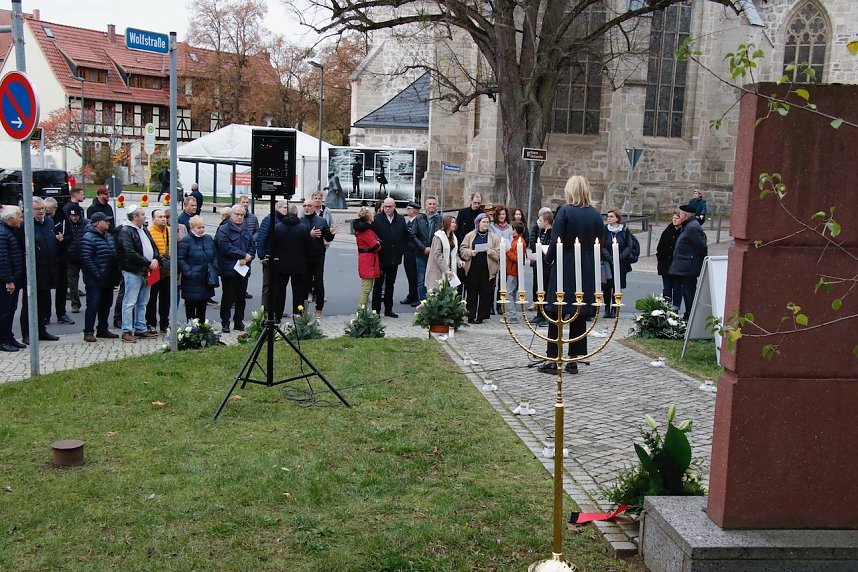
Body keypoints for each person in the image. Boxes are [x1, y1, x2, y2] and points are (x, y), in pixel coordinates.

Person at [538, 175, 604, 375]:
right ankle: (574, 359)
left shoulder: (565, 211)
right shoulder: (595, 214)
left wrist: (547, 258)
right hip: (586, 268)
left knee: (555, 312)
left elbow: (556, 239)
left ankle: (552, 358)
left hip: (566, 265)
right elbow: (600, 242)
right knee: (579, 313)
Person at [115, 206, 161, 343]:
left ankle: (140, 327)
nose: (144, 216)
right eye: (142, 214)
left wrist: (155, 258)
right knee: (130, 302)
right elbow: (129, 252)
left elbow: (153, 247)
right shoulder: (126, 231)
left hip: (147, 271)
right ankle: (126, 330)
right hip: (133, 271)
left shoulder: (143, 230)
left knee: (143, 301)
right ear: (134, 217)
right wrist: (147, 262)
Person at [20, 197, 59, 343]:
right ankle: (27, 333)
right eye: (37, 209)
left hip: (48, 269)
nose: (41, 212)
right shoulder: (25, 225)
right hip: (32, 271)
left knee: (44, 302)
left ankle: (41, 330)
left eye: (43, 209)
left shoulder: (49, 222)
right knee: (29, 303)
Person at [79, 212, 120, 342]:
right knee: (93, 305)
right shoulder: (88, 237)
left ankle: (103, 329)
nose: (108, 223)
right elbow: (87, 259)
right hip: (95, 280)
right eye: (105, 221)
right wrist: (98, 274)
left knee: (106, 304)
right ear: (97, 223)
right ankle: (89, 331)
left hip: (108, 278)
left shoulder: (108, 236)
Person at [215, 204, 255, 333]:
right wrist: (243, 255)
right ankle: (225, 322)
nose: (239, 217)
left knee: (241, 296)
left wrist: (249, 257)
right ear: (231, 214)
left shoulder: (246, 229)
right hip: (229, 268)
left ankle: (239, 321)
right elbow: (225, 247)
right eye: (237, 214)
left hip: (244, 268)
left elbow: (252, 246)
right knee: (228, 296)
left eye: (242, 215)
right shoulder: (224, 229)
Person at [459, 213, 501, 324]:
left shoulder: (494, 237)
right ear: (478, 223)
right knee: (472, 292)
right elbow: (462, 249)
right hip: (473, 267)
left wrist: (490, 252)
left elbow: (499, 252)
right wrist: (470, 252)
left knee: (485, 293)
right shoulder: (470, 235)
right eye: (484, 222)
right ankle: (470, 315)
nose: (486, 224)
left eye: (487, 222)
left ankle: (481, 316)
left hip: (487, 268)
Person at [271, 205, 311, 320]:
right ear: (297, 213)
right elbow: (309, 247)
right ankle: (298, 315)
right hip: (299, 264)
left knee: (279, 291)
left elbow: (272, 246)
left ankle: (277, 316)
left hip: (280, 264)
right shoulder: (303, 228)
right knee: (299, 292)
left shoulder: (277, 227)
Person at [300, 199, 338, 317]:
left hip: (318, 255)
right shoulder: (300, 221)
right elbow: (296, 238)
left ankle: (319, 308)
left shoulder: (321, 221)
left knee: (318, 282)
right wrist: (308, 235)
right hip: (304, 256)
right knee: (304, 283)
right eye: (305, 205)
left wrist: (332, 233)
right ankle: (302, 309)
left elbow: (328, 237)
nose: (306, 208)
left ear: (314, 207)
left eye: (309, 206)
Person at [669, 204, 708, 321]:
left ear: (685, 215)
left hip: (688, 267)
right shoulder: (688, 225)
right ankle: (689, 314)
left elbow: (702, 247)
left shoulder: (692, 227)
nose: (679, 216)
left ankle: (690, 315)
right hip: (685, 265)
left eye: (680, 214)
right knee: (687, 291)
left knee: (689, 291)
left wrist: (692, 259)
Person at [372, 197, 408, 318]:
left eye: (390, 206)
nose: (387, 209)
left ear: (394, 206)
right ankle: (375, 311)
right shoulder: (377, 219)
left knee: (390, 285)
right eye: (386, 206)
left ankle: (388, 309)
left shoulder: (400, 219)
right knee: (378, 285)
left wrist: (401, 251)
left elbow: (405, 236)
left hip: (394, 257)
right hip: (380, 257)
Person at [177, 215, 218, 322]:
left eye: (203, 227)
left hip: (205, 278)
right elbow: (181, 257)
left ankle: (201, 328)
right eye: (198, 228)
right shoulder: (187, 240)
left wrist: (214, 268)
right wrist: (188, 271)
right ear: (192, 227)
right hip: (191, 279)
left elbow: (214, 255)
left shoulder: (208, 238)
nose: (201, 230)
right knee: (190, 305)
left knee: (202, 305)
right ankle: (190, 329)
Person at [44, 197, 73, 326]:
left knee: (62, 287)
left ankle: (61, 313)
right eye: (45, 210)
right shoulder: (41, 219)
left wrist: (63, 239)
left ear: (55, 208)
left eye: (49, 211)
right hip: (46, 259)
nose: (46, 213)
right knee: (45, 288)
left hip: (61, 257)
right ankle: (45, 315)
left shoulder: (63, 218)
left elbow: (70, 236)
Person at [0, 206, 26, 351]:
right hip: (6, 282)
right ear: (10, 219)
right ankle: (3, 340)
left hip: (12, 279)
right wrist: (8, 280)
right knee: (4, 311)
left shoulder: (9, 232)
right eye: (19, 217)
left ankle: (9, 337)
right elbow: (3, 259)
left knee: (10, 310)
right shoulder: (3, 234)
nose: (21, 220)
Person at [600, 209, 635, 319]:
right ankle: (606, 308)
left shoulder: (624, 231)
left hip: (621, 262)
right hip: (607, 262)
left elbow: (629, 246)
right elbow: (602, 245)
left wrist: (618, 258)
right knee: (607, 286)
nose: (608, 218)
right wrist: (610, 258)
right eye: (608, 216)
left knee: (617, 286)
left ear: (617, 218)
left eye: (611, 216)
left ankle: (615, 308)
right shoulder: (605, 230)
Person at [256, 199, 289, 310]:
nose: (287, 209)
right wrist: (262, 255)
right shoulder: (269, 219)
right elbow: (261, 238)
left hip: (282, 257)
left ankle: (276, 309)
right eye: (284, 207)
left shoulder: (287, 220)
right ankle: (265, 310)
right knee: (268, 285)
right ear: (278, 208)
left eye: (287, 207)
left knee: (279, 285)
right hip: (269, 256)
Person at [145, 208, 171, 333]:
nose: (163, 219)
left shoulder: (170, 231)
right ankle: (151, 323)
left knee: (165, 298)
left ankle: (164, 323)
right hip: (154, 269)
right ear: (153, 219)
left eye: (164, 217)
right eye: (160, 217)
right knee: (152, 298)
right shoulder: (149, 232)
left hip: (167, 269)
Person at [409, 196, 438, 304]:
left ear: (437, 206)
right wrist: (423, 248)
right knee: (421, 279)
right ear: (425, 206)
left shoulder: (440, 219)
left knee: (434, 279)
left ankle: (433, 303)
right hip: (421, 253)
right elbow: (413, 235)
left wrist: (434, 249)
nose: (432, 206)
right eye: (429, 204)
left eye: (434, 204)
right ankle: (423, 302)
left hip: (435, 254)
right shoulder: (419, 219)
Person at [353, 207, 381, 309]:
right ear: (369, 216)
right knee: (366, 288)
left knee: (366, 287)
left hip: (366, 260)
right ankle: (361, 309)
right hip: (368, 261)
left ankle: (361, 308)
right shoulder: (366, 231)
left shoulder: (363, 230)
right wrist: (378, 243)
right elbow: (376, 247)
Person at [455, 192, 483, 294]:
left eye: (479, 203)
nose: (476, 205)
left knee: (471, 280)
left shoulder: (482, 214)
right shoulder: (463, 212)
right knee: (460, 278)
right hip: (463, 246)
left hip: (475, 249)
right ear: (471, 201)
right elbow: (457, 230)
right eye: (475, 202)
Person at [424, 215, 462, 291]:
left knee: (449, 294)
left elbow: (453, 253)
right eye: (452, 222)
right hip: (438, 270)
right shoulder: (438, 236)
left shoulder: (453, 237)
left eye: (455, 222)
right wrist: (446, 269)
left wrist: (459, 261)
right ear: (447, 223)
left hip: (450, 270)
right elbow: (437, 255)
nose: (455, 224)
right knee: (437, 293)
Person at [656, 210, 684, 310]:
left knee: (677, 288)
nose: (674, 220)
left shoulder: (684, 231)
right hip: (665, 265)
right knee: (667, 288)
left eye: (677, 218)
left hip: (677, 266)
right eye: (673, 218)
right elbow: (660, 246)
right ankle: (665, 307)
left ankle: (675, 308)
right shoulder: (668, 230)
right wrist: (660, 257)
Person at [529, 208, 553, 320]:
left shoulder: (552, 233)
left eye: (541, 220)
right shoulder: (541, 232)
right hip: (539, 265)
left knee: (546, 290)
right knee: (539, 290)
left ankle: (545, 315)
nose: (539, 222)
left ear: (546, 221)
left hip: (547, 266)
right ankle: (540, 313)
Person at [64, 205, 88, 314]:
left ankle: (90, 302)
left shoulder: (87, 224)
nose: (74, 218)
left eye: (76, 215)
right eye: (72, 215)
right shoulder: (66, 225)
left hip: (85, 257)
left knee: (88, 281)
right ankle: (75, 304)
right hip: (71, 258)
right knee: (72, 282)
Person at [489, 205, 513, 313]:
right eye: (500, 214)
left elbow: (511, 239)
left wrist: (509, 247)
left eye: (503, 214)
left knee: (502, 282)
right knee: (492, 281)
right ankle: (489, 306)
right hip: (494, 255)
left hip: (506, 256)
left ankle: (500, 304)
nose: (502, 216)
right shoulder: (492, 226)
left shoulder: (509, 227)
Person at [505, 221, 526, 323]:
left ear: (515, 231)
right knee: (511, 293)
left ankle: (512, 316)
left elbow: (518, 258)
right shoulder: (516, 240)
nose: (510, 230)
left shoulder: (519, 242)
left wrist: (507, 252)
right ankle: (511, 315)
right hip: (513, 270)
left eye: (511, 229)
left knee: (509, 293)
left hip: (514, 271)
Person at [401, 201, 421, 306]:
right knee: (410, 276)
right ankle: (411, 295)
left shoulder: (418, 222)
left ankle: (417, 296)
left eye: (408, 209)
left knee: (416, 276)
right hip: (408, 253)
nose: (407, 211)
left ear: (412, 211)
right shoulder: (409, 222)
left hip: (415, 253)